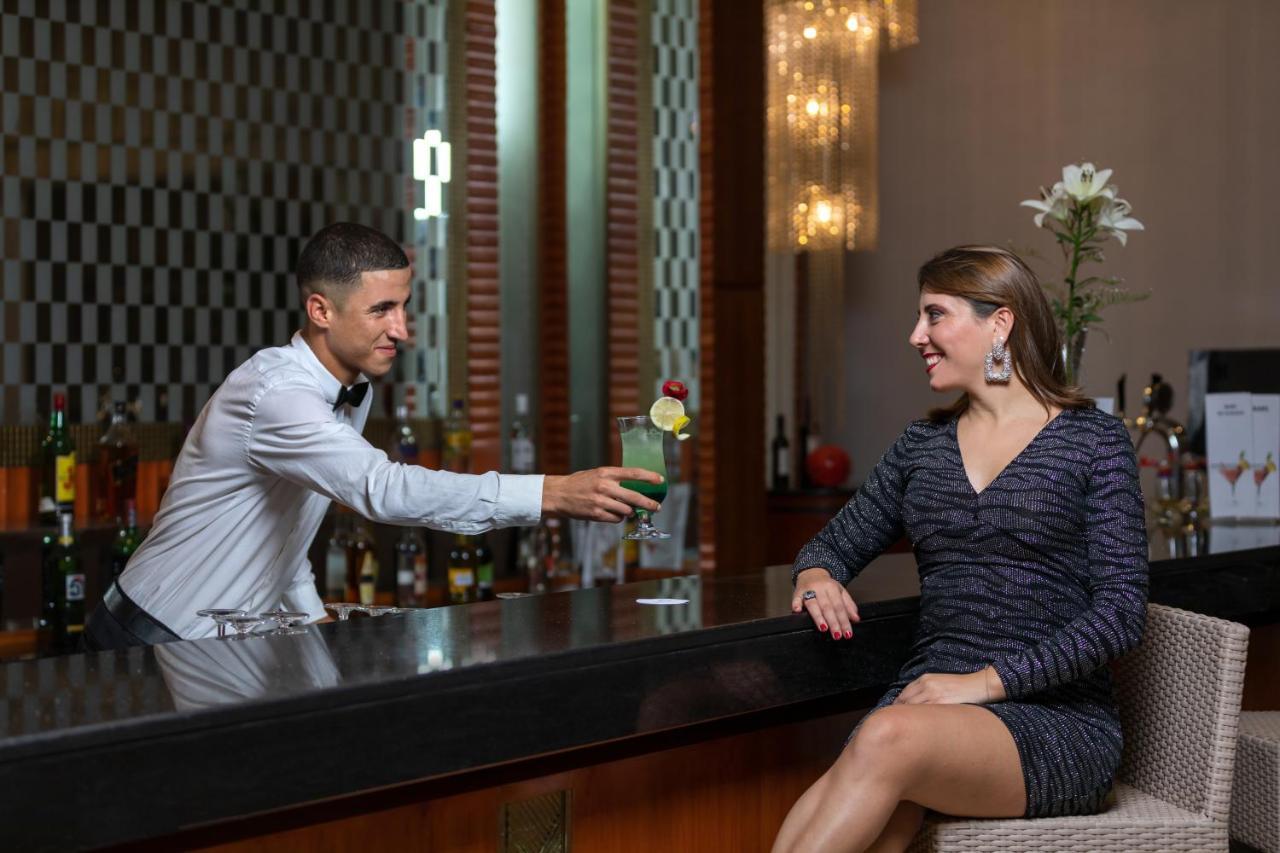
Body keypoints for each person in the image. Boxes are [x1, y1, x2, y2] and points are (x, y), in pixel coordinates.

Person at [83, 222, 663, 650]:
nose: (401, 329)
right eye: (382, 310)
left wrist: (313, 625)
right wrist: (552, 493)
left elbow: (285, 530)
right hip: (150, 637)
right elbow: (382, 489)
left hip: (225, 642)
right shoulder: (276, 395)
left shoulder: (347, 387)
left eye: (405, 307)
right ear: (321, 310)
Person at [772, 246, 1147, 853]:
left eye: (934, 315)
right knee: (883, 816)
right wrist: (815, 574)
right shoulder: (923, 445)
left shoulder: (1093, 441)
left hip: (1052, 720)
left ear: (999, 323)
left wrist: (986, 682)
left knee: (886, 738)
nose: (916, 335)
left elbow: (1121, 613)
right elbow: (832, 546)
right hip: (927, 707)